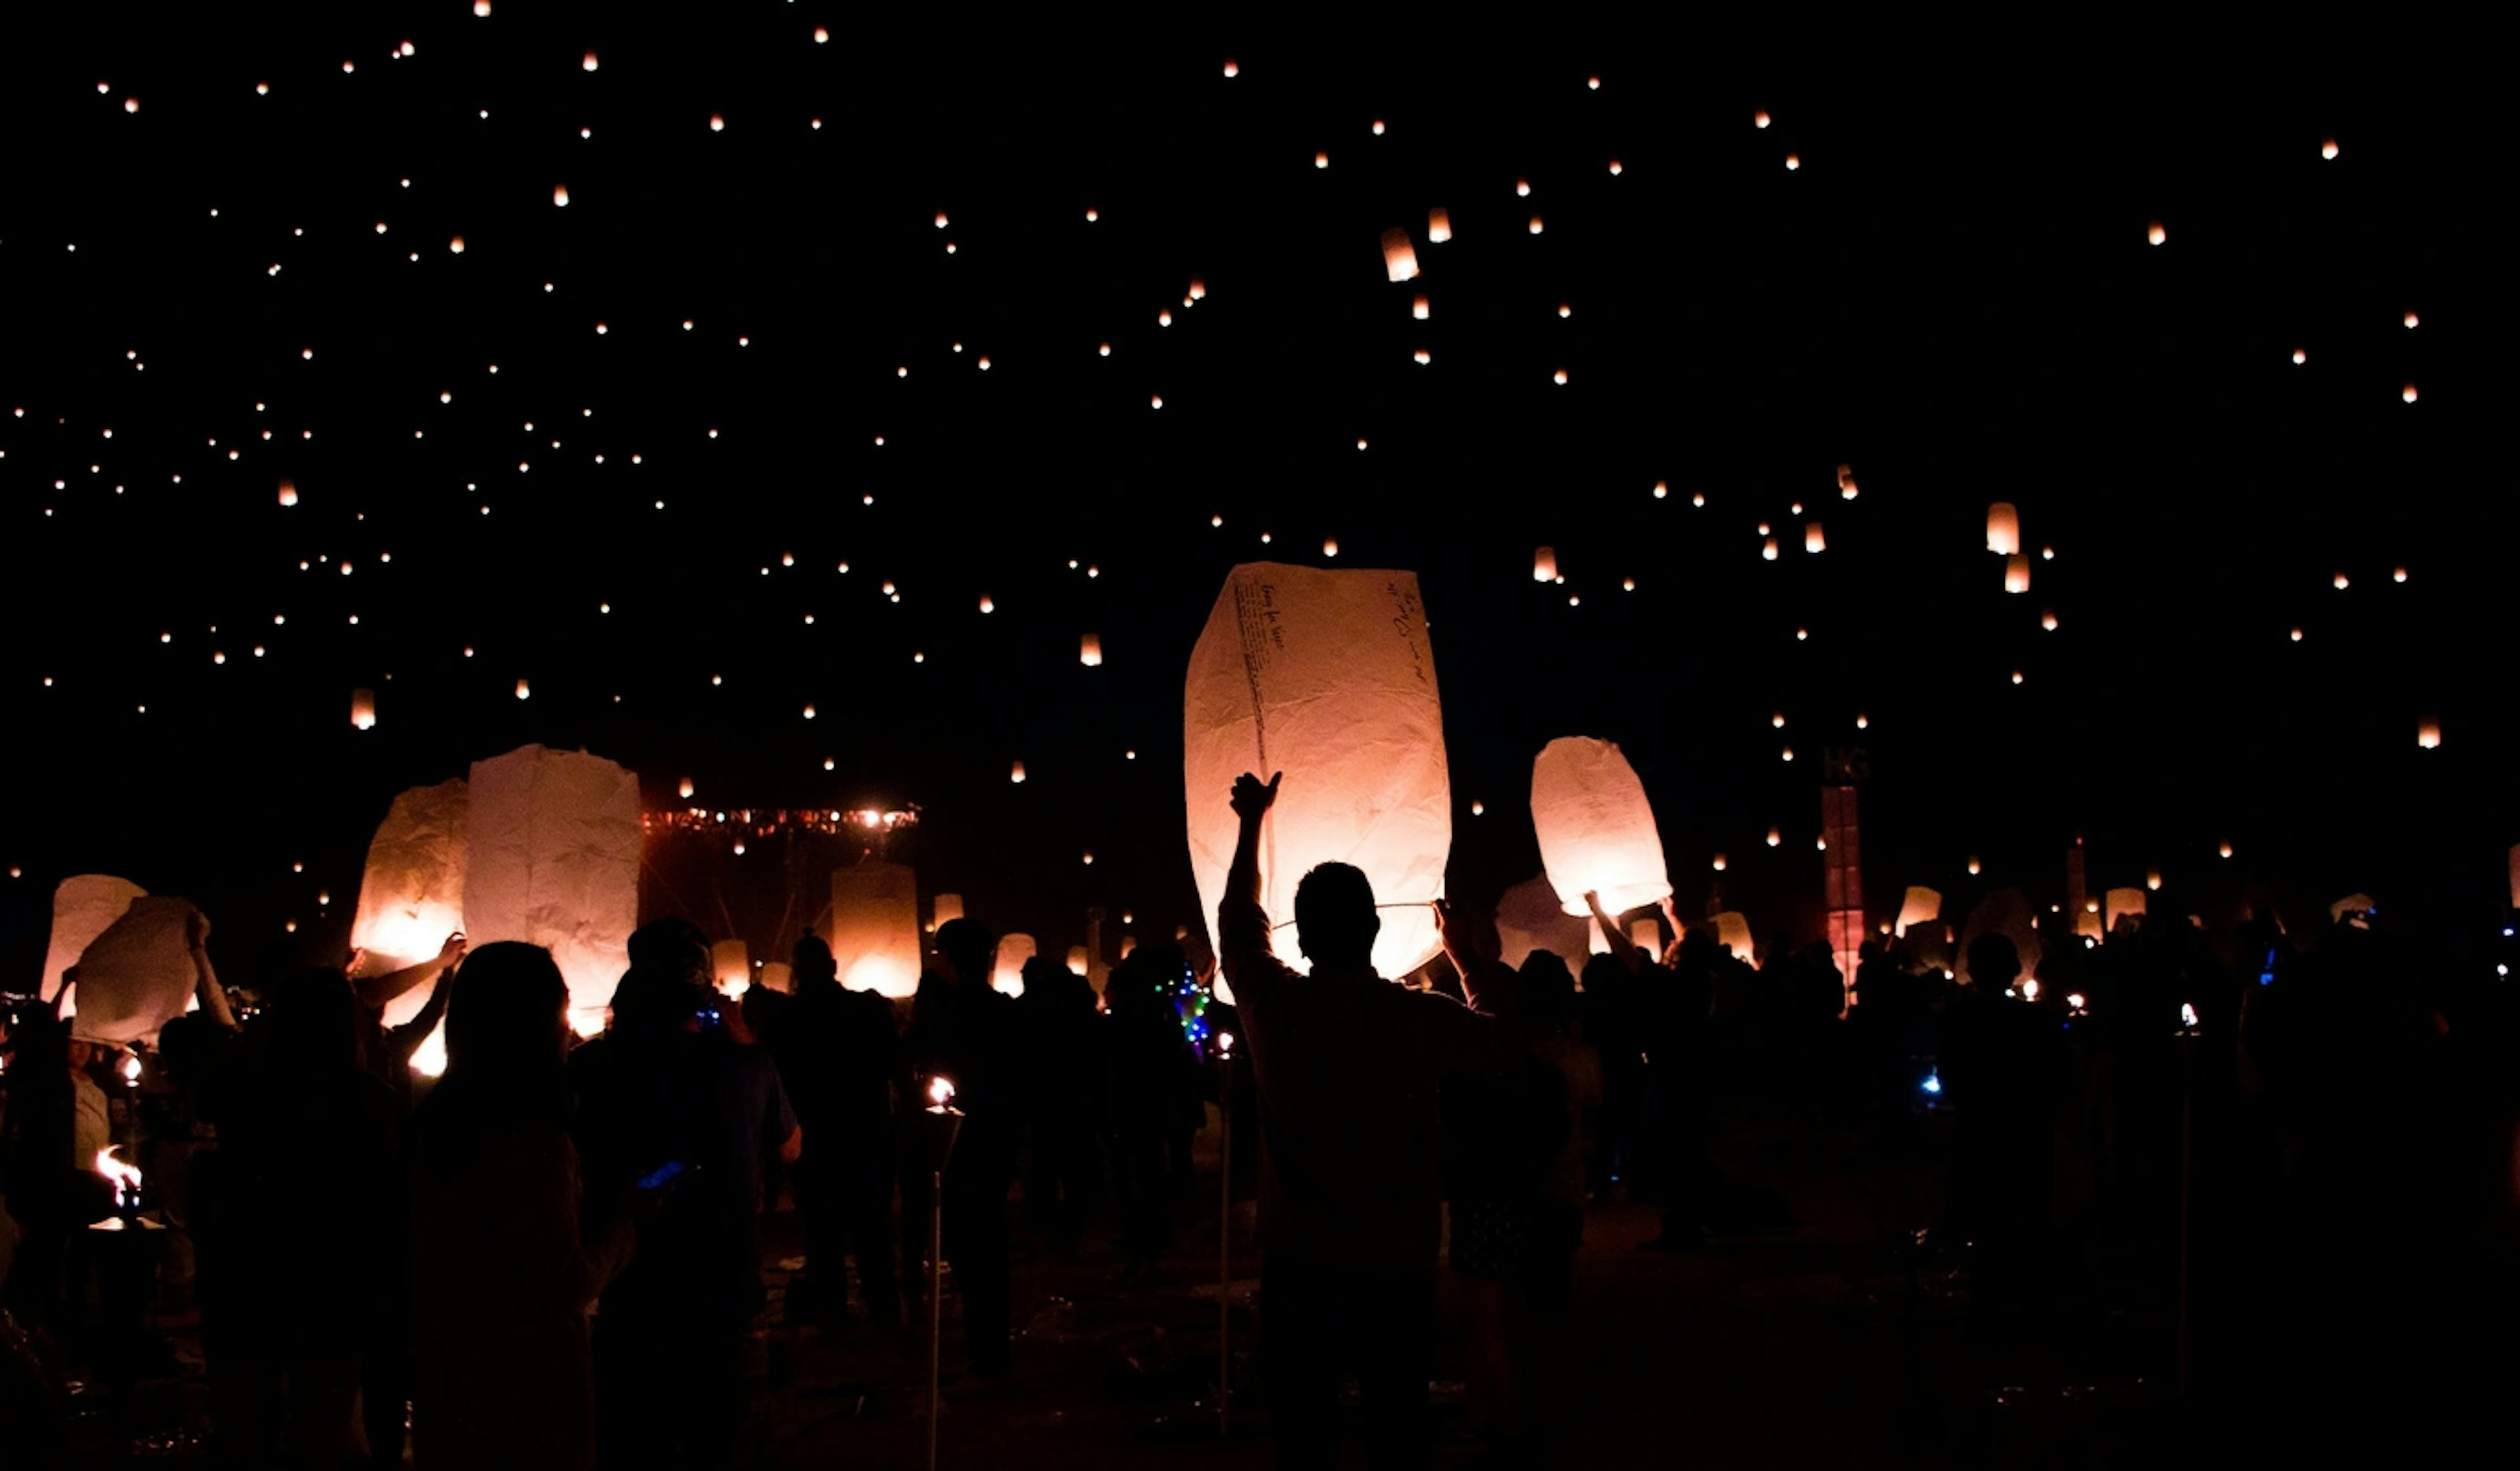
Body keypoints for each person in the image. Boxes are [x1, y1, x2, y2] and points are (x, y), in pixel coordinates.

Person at [1215, 771, 1520, 1470]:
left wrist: (1251, 820)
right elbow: (1504, 1043)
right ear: (1378, 926)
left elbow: (1237, 921)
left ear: (1303, 934)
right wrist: (1467, 958)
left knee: (1305, 1434)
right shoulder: (1417, 1018)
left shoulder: (1273, 1009)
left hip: (1299, 1262)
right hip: (1394, 1266)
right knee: (1396, 1430)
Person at [574, 919, 799, 1464]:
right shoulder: (745, 1064)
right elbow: (791, 1147)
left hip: (634, 1301)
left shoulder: (594, 1069)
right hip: (728, 1302)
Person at [407, 943, 634, 1470]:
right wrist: (628, 1226)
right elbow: (561, 1284)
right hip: (529, 1395)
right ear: (531, 1027)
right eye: (560, 1012)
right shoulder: (531, 1139)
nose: (568, 1031)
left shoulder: (436, 1125)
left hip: (452, 1384)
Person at [903, 917, 1022, 1376]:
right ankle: (991, 1347)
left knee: (971, 1249)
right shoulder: (1004, 1011)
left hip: (956, 1147)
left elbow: (920, 1065)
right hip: (995, 1143)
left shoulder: (946, 1014)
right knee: (987, 1247)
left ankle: (985, 1354)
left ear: (950, 958)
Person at [778, 934, 905, 1333]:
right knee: (870, 1227)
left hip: (815, 1136)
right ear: (834, 968)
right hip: (863, 1132)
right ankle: (883, 1306)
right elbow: (893, 1065)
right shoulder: (866, 1010)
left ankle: (834, 1309)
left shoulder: (789, 1019)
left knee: (823, 1230)